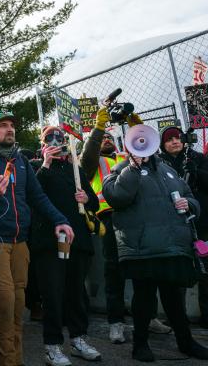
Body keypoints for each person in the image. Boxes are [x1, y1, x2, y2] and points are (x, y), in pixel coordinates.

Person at [0, 111, 74, 366]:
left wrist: (61, 219)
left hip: (20, 242)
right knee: (4, 304)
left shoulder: (21, 160)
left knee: (17, 305)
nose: (9, 129)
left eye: (12, 125)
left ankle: (15, 360)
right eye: (2, 125)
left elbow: (37, 196)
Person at [102, 137, 208, 362]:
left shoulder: (168, 171)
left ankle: (185, 341)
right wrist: (134, 167)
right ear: (127, 148)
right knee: (143, 298)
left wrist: (189, 204)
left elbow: (191, 198)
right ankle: (140, 344)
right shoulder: (119, 169)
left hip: (172, 246)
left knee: (174, 298)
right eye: (136, 143)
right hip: (143, 248)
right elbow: (116, 197)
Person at [80, 107, 171, 343]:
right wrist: (98, 129)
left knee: (145, 268)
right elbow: (88, 155)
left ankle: (149, 318)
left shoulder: (125, 156)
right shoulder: (92, 161)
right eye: (103, 139)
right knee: (114, 272)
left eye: (111, 137)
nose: (107, 140)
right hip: (110, 218)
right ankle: (116, 322)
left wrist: (135, 123)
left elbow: (147, 145)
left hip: (137, 217)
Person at [31, 126, 102, 365]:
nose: (55, 142)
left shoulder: (75, 169)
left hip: (77, 239)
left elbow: (93, 201)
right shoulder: (36, 168)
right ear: (42, 145)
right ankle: (52, 346)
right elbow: (34, 195)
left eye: (59, 139)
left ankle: (78, 338)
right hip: (50, 241)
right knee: (53, 293)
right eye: (49, 139)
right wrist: (46, 164)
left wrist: (86, 199)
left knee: (76, 292)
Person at [159, 126, 208, 329]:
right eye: (169, 139)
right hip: (175, 223)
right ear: (162, 144)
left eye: (178, 138)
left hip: (203, 221)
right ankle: (178, 316)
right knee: (178, 267)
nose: (175, 142)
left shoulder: (197, 157)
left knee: (207, 267)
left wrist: (197, 172)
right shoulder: (159, 163)